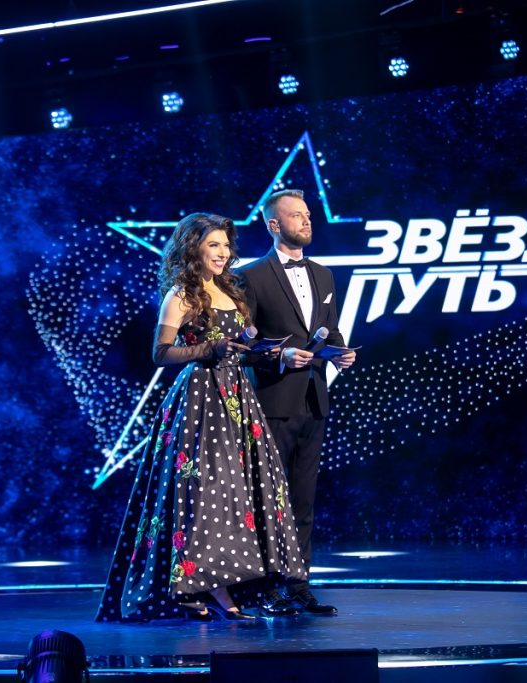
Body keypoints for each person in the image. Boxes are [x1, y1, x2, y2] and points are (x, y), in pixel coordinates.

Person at [96, 212, 306, 623]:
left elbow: (242, 348)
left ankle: (236, 585)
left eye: (226, 245)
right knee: (206, 491)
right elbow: (161, 353)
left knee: (241, 493)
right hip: (201, 401)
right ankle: (202, 587)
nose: (223, 253)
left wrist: (276, 353)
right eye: (214, 245)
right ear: (193, 249)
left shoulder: (231, 291)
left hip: (238, 399)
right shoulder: (182, 295)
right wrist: (208, 350)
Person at [237, 189, 356, 616]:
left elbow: (329, 329)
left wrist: (340, 352)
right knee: (268, 498)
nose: (307, 221)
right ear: (274, 225)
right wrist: (280, 356)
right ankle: (266, 587)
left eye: (307, 215)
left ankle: (298, 582)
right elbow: (241, 347)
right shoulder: (251, 276)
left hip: (313, 399)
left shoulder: (323, 274)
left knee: (303, 499)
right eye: (296, 216)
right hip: (271, 400)